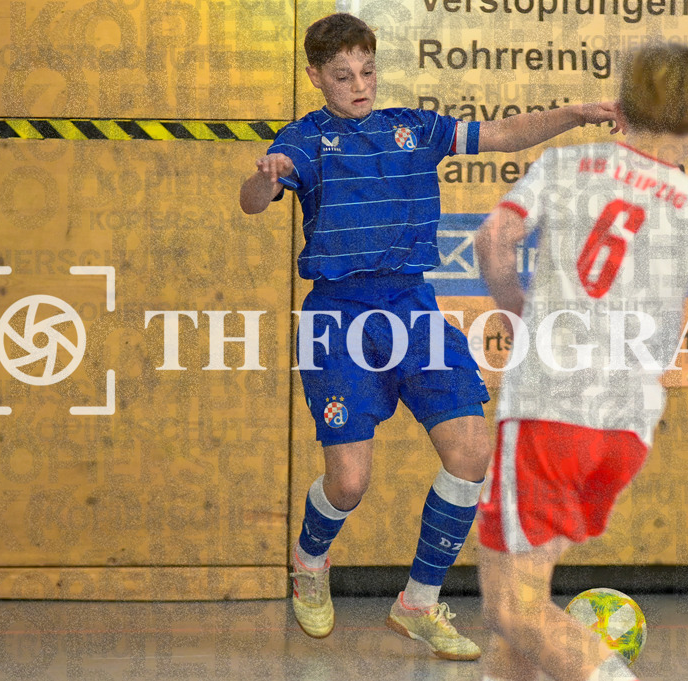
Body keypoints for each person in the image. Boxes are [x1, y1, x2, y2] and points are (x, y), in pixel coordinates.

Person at [240, 12, 622, 660]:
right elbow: (252, 201)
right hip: (340, 317)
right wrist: (265, 175)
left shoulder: (414, 128)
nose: (358, 85)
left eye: (367, 72)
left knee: (471, 450)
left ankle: (417, 601)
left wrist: (578, 112)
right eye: (342, 76)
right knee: (350, 482)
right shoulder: (304, 142)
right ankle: (309, 560)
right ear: (316, 77)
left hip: (412, 307)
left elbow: (502, 134)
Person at [473, 43, 688, 681]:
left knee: (513, 608)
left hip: (548, 412)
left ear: (618, 108)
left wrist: (513, 306)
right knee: (525, 614)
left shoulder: (566, 167)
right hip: (624, 430)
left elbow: (493, 238)